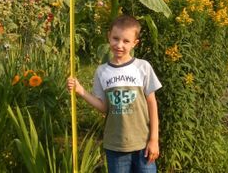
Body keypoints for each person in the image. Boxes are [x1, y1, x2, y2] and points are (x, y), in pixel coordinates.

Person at [67, 14, 162, 172]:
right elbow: (104, 107)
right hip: (115, 146)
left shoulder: (142, 67)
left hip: (143, 144)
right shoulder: (102, 71)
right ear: (108, 37)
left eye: (126, 41)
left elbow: (152, 104)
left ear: (134, 43)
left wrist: (154, 139)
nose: (119, 45)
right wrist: (80, 91)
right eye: (115, 38)